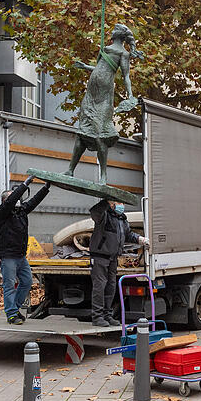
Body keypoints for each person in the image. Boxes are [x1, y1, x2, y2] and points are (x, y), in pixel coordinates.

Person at [64, 24, 143, 185]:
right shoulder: (105, 48)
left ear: (119, 34)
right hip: (91, 93)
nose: (111, 31)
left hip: (104, 96)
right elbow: (99, 67)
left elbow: (125, 76)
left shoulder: (123, 53)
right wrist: (85, 66)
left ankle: (103, 176)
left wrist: (131, 95)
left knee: (100, 135)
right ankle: (70, 170)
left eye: (114, 29)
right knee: (82, 133)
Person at [0, 175, 50, 324]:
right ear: (6, 201)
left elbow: (34, 201)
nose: (18, 200)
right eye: (14, 198)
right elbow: (12, 200)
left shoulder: (21, 212)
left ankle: (15, 308)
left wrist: (46, 188)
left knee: (26, 282)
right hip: (8, 257)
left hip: (20, 256)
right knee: (9, 285)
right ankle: (11, 314)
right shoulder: (1, 213)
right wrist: (25, 184)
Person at [89, 199, 149, 327]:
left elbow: (127, 234)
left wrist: (139, 239)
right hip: (100, 257)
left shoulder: (121, 219)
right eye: (119, 202)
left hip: (113, 258)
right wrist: (105, 202)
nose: (122, 205)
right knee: (100, 286)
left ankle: (107, 315)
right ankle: (97, 317)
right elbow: (94, 212)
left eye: (123, 203)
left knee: (111, 286)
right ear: (112, 204)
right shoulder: (104, 216)